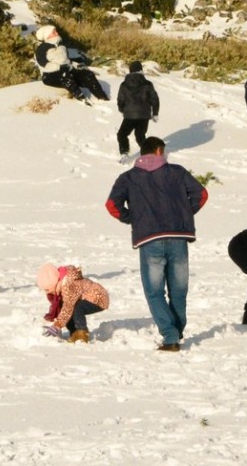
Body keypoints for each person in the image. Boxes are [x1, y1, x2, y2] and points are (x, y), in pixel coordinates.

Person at [105, 137, 208, 352]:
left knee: (154, 292)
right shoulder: (177, 172)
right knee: (178, 290)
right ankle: (176, 332)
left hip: (149, 239)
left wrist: (133, 218)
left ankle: (171, 336)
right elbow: (202, 194)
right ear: (159, 151)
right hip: (178, 237)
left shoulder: (128, 178)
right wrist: (185, 214)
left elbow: (112, 205)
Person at [37, 263, 109, 343]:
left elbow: (68, 307)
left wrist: (57, 325)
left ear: (54, 283)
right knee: (69, 312)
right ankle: (74, 332)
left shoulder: (68, 284)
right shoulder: (61, 284)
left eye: (47, 289)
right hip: (88, 298)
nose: (48, 292)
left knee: (78, 308)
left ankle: (82, 333)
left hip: (99, 297)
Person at [34, 25, 109, 101]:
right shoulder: (42, 48)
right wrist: (59, 67)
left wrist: (77, 65)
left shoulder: (62, 46)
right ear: (47, 35)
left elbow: (67, 61)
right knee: (65, 76)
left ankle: (102, 97)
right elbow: (44, 64)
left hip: (66, 71)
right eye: (54, 32)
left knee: (87, 74)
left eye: (56, 31)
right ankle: (82, 99)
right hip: (49, 75)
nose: (57, 33)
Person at [116, 60, 159, 158]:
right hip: (144, 115)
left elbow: (120, 100)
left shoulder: (124, 84)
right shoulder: (147, 84)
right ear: (141, 70)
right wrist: (155, 113)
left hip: (129, 115)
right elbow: (154, 99)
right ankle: (149, 154)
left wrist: (123, 110)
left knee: (122, 134)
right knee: (140, 136)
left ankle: (124, 152)